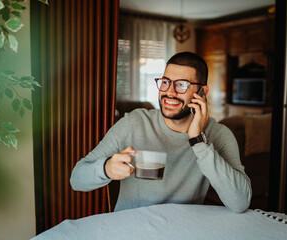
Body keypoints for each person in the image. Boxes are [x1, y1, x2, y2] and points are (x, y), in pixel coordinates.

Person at [70, 52, 252, 213]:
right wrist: (106, 168)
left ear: (202, 92)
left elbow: (240, 202)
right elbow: (76, 179)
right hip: (131, 231)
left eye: (181, 84)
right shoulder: (134, 123)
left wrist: (198, 140)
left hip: (181, 232)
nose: (169, 92)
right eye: (165, 82)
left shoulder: (219, 135)